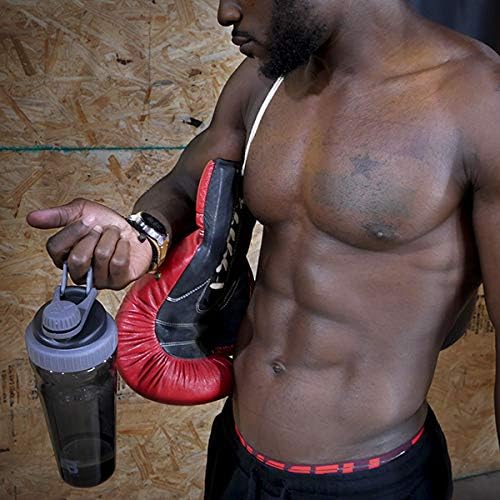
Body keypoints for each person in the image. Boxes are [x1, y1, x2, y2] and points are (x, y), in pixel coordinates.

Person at [27, 1, 500, 498]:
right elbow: (187, 184)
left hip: (371, 477)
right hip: (236, 456)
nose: (224, 12)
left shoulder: (479, 101)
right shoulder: (264, 82)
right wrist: (143, 233)